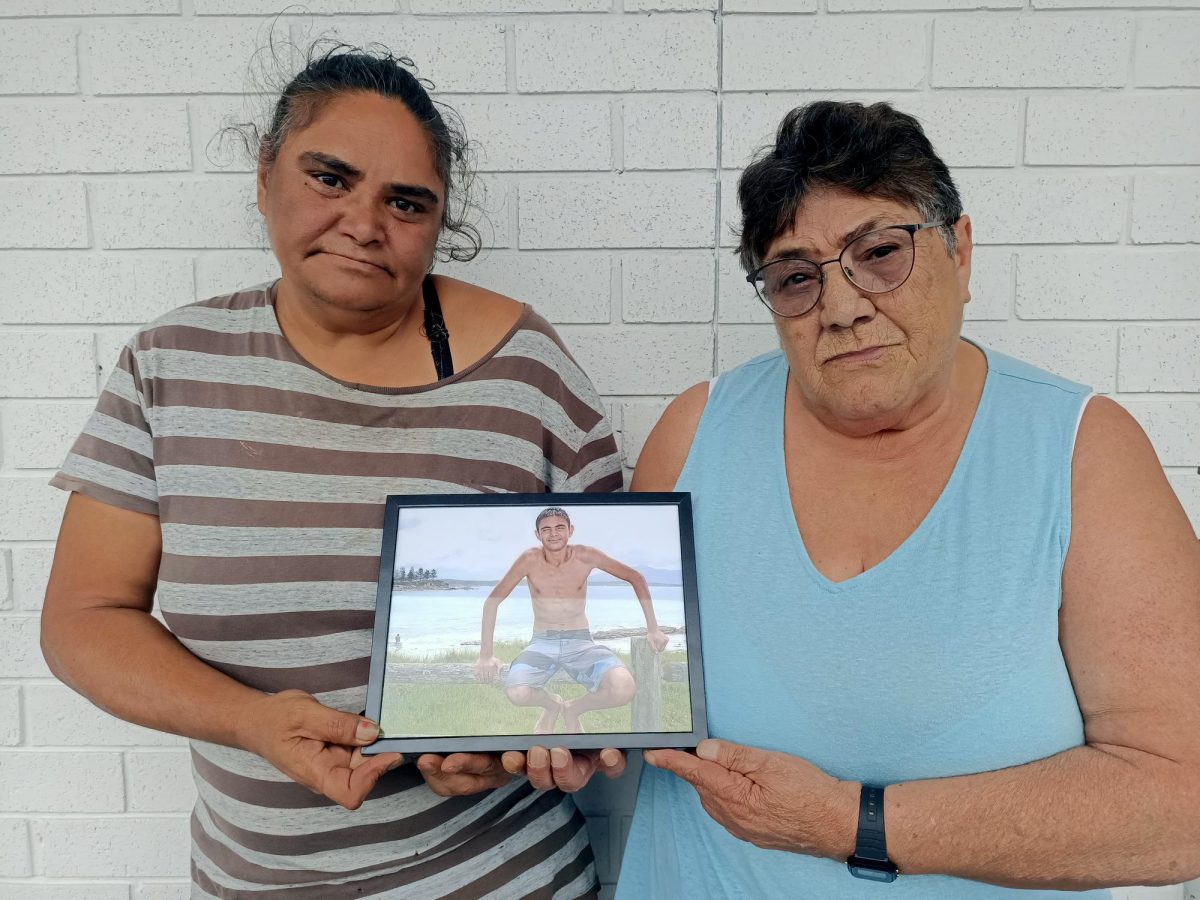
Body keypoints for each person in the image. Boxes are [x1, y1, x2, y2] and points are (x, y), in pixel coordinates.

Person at [39, 44, 624, 899]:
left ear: (439, 220)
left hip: (503, 879)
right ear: (265, 174)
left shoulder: (527, 370)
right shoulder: (169, 365)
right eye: (330, 178)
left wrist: (509, 750)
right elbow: (83, 619)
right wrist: (249, 722)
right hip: (252, 881)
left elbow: (607, 614)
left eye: (406, 201)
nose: (364, 222)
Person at [610, 101, 1200, 897]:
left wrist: (851, 823)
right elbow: (632, 693)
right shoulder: (693, 433)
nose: (844, 306)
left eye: (879, 253)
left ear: (959, 250)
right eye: (796, 278)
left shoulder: (1082, 450)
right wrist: (520, 735)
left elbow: (1182, 803)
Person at [474, 506, 669, 734]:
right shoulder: (529, 559)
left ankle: (574, 709)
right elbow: (492, 602)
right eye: (546, 529)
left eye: (560, 528)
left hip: (581, 643)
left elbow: (636, 577)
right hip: (542, 643)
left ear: (571, 530)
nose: (553, 534)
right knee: (518, 693)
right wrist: (485, 655)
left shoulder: (586, 556)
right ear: (538, 535)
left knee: (624, 688)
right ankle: (552, 705)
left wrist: (653, 629)